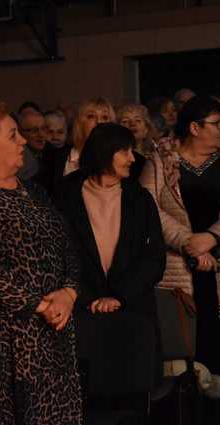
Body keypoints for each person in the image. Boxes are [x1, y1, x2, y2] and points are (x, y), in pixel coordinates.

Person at [0, 101, 83, 425]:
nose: (22, 140)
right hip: (3, 342)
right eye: (13, 135)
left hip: (54, 334)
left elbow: (67, 248)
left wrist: (68, 293)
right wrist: (39, 305)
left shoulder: (34, 191)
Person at [140, 96, 220, 425]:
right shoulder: (161, 158)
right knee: (187, 356)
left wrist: (212, 237)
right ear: (194, 128)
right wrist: (189, 242)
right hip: (181, 274)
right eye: (217, 122)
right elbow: (150, 208)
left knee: (219, 351)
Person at [55, 123, 165, 394]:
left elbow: (153, 258)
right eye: (125, 151)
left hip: (132, 311)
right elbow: (56, 255)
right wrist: (88, 297)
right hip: (81, 312)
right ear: (105, 152)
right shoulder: (64, 194)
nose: (132, 158)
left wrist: (119, 296)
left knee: (131, 396)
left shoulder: (139, 198)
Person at [48, 97, 116, 195]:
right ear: (80, 123)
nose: (99, 122)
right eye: (91, 116)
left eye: (105, 117)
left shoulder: (120, 159)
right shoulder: (56, 158)